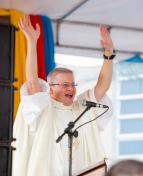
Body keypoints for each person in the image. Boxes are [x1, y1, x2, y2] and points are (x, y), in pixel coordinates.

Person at [12, 15, 115, 176]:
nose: (71, 89)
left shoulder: (82, 108)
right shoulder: (42, 108)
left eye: (73, 84)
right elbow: (32, 82)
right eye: (65, 85)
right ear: (50, 89)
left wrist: (108, 54)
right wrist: (32, 43)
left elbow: (103, 85)